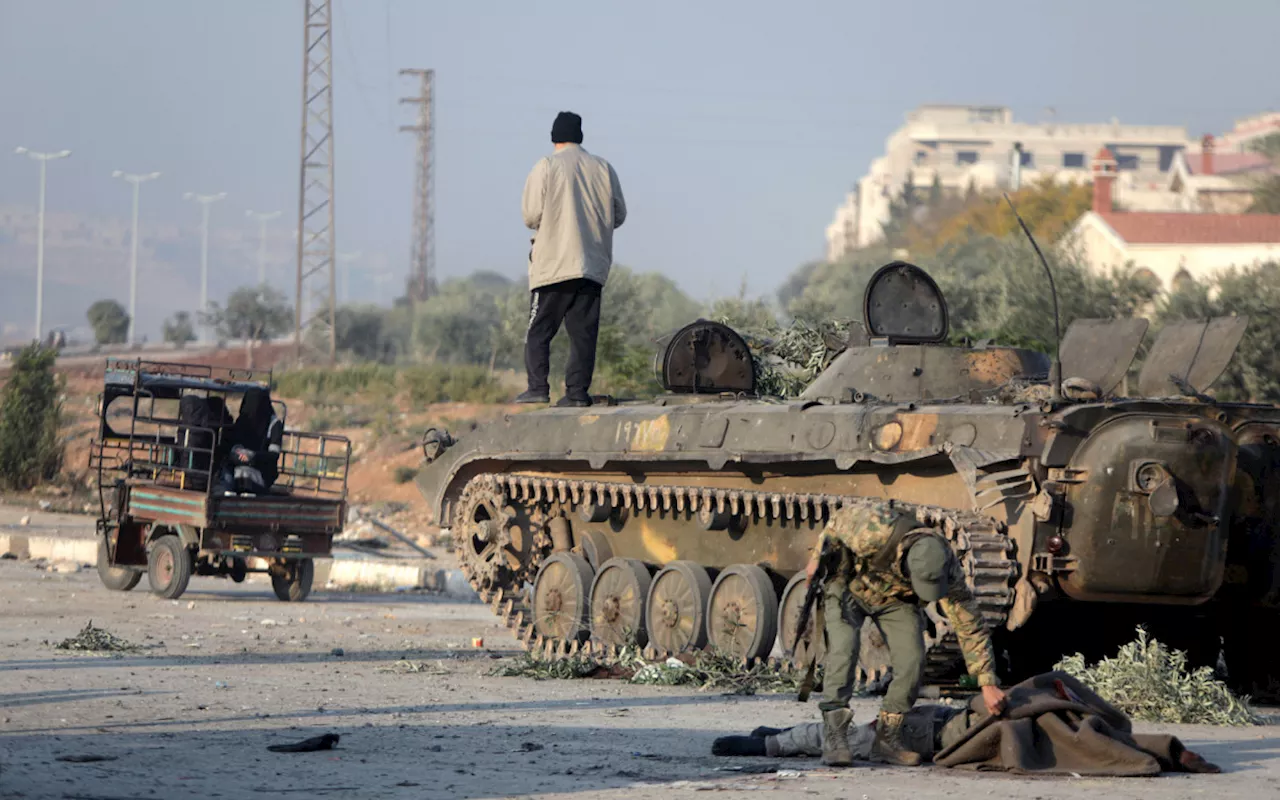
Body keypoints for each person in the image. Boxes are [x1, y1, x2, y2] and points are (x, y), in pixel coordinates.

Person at [804, 502, 1006, 768]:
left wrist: (987, 682)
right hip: (849, 585)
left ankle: (887, 739)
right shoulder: (875, 531)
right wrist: (816, 559)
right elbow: (837, 522)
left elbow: (969, 625)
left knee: (912, 661)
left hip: (897, 599)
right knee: (845, 649)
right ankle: (835, 735)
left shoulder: (947, 567)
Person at [517, 111, 626, 408]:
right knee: (583, 335)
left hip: (553, 265)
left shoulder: (547, 166)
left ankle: (538, 388)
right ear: (580, 137)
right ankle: (577, 394)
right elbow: (619, 215)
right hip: (592, 266)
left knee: (539, 330)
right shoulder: (604, 168)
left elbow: (530, 215)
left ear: (554, 138)